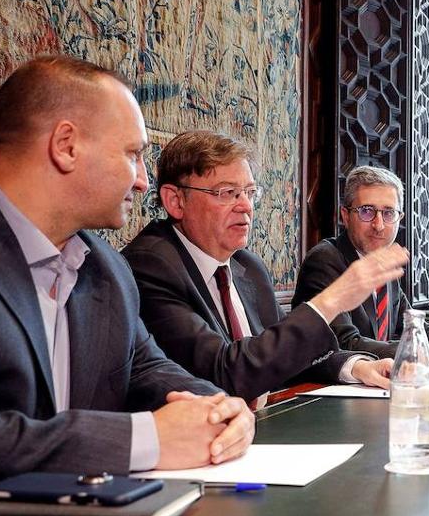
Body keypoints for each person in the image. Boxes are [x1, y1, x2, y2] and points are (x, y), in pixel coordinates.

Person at [0, 56, 254, 495]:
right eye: (133, 155)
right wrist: (138, 441)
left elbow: (147, 367)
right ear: (66, 146)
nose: (142, 181)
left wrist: (222, 410)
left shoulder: (107, 268)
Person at [122, 132, 408, 402]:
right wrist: (333, 299)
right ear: (175, 200)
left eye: (249, 192)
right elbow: (225, 373)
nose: (246, 206)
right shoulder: (151, 265)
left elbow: (283, 350)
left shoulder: (247, 266)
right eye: (227, 192)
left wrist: (355, 367)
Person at [293, 165, 429, 360]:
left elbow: (411, 326)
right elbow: (345, 344)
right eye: (366, 211)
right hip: (323, 387)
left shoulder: (385, 261)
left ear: (399, 218)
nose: (378, 225)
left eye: (388, 213)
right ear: (346, 216)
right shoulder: (325, 260)